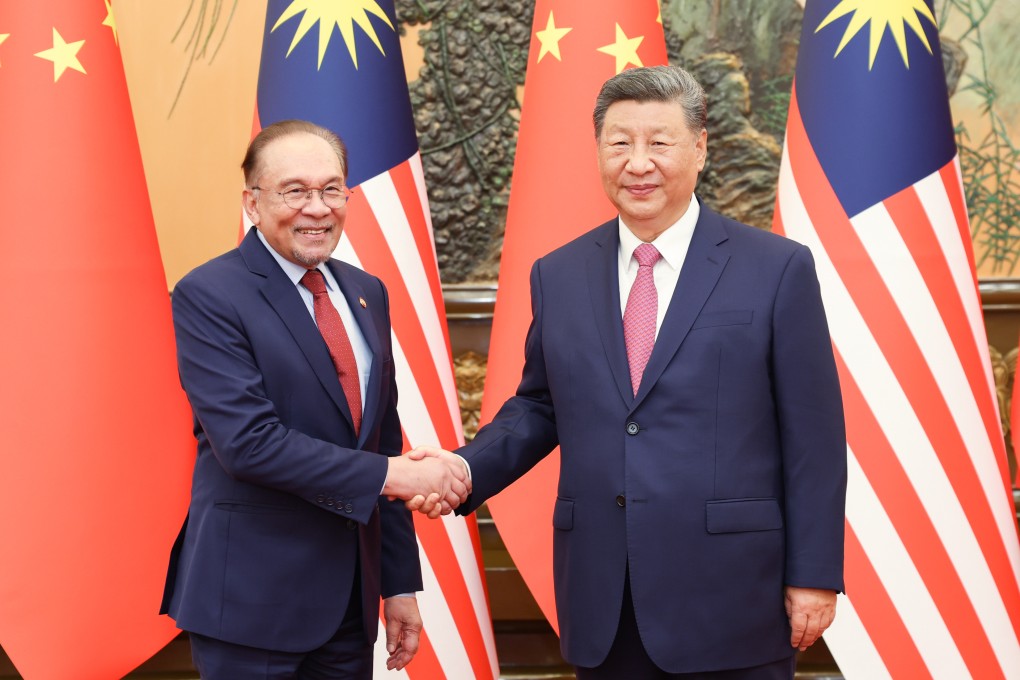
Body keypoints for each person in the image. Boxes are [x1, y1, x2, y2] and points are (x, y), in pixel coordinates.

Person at [411, 65, 847, 678]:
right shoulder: (558, 274)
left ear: (700, 148)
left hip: (733, 597)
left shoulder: (775, 269)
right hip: (605, 598)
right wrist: (462, 469)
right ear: (598, 151)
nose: (638, 163)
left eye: (659, 142)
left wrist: (814, 573)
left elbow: (814, 438)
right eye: (620, 143)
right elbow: (540, 405)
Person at [160, 119, 469, 679]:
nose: (318, 208)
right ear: (253, 203)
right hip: (250, 606)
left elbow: (381, 441)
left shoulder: (366, 291)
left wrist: (398, 584)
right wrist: (395, 475)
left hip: (349, 608)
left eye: (331, 189)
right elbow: (249, 445)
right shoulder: (209, 295)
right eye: (295, 191)